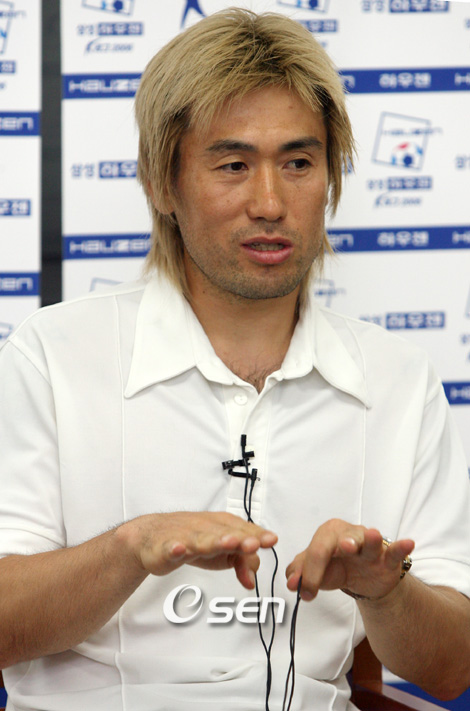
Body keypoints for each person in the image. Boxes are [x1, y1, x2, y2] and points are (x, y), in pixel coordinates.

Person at [0, 8, 469, 711]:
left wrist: (386, 590)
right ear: (162, 183)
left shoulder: (399, 378)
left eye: (299, 163)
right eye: (233, 165)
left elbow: (453, 668)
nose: (270, 203)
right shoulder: (52, 356)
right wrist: (131, 547)